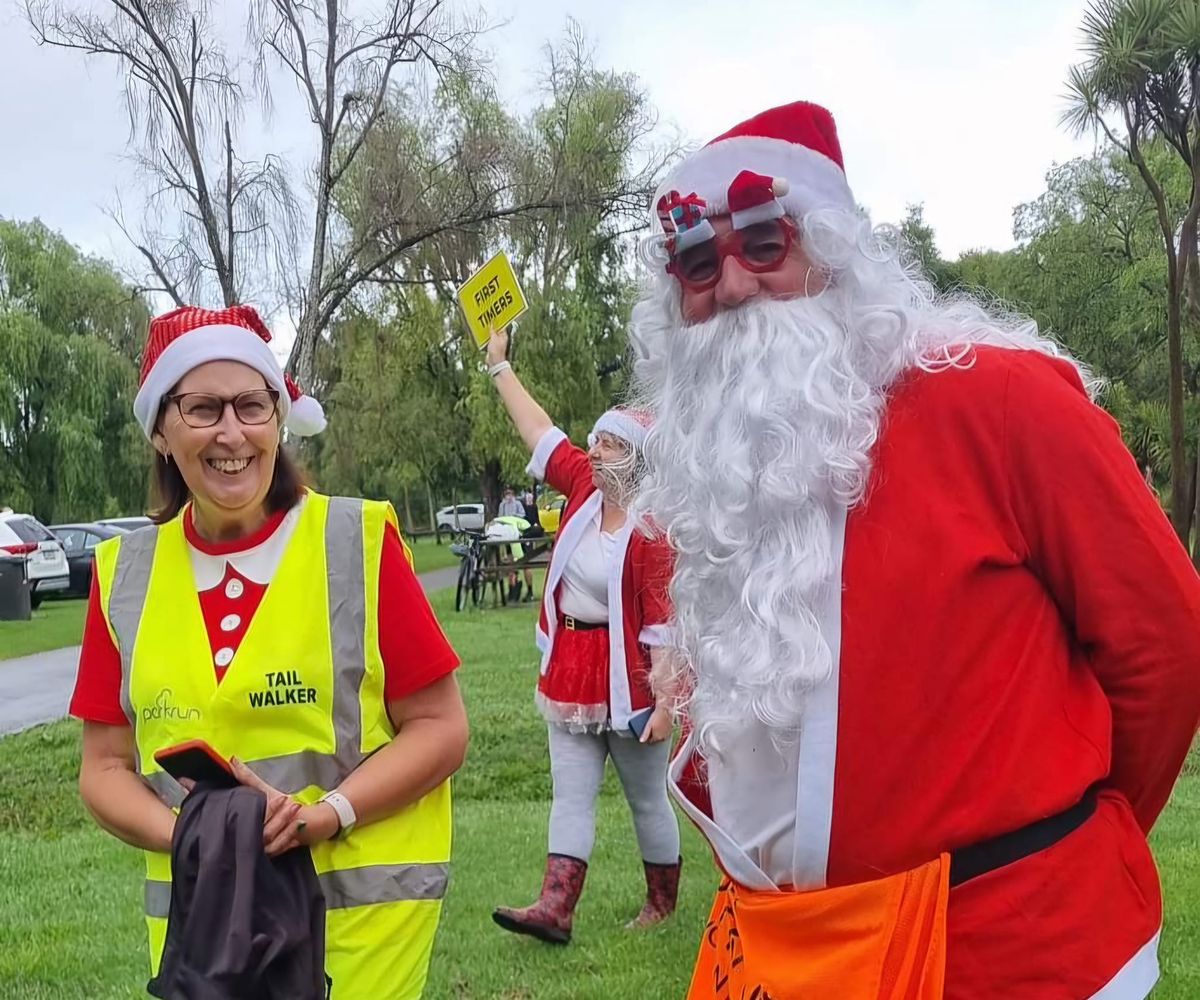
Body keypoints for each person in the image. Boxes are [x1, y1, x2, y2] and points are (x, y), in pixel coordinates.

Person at [628, 101, 1200, 1000]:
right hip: (790, 958)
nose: (731, 285)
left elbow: (1166, 649)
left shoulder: (1004, 404)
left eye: (764, 244)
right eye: (699, 263)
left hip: (1016, 961)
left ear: (835, 253)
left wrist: (1064, 841)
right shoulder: (716, 480)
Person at [68, 305, 469, 999]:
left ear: (279, 418)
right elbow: (103, 767)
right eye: (202, 409)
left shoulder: (358, 541)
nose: (232, 433)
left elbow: (441, 727)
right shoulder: (121, 574)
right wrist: (194, 840)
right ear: (161, 432)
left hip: (359, 929)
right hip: (203, 935)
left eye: (252, 405)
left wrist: (327, 813)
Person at [483, 325, 682, 944]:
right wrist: (498, 367)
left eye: (609, 446)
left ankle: (662, 906)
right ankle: (555, 909)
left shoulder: (653, 532)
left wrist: (668, 703)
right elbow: (539, 431)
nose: (592, 452)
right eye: (592, 442)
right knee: (571, 794)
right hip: (570, 663)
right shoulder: (581, 490)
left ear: (638, 457)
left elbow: (665, 626)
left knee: (647, 798)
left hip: (631, 677)